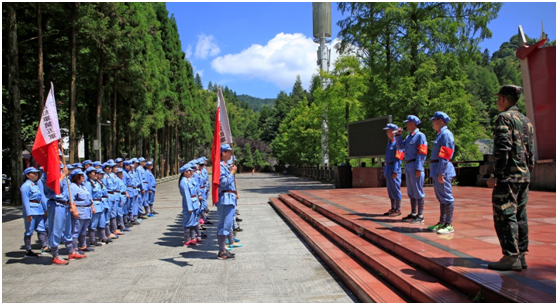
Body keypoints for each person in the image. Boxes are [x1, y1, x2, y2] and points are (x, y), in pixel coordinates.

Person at [487, 85, 534, 271]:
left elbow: (502, 149)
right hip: (524, 176)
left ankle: (510, 256)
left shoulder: (504, 118)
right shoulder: (526, 121)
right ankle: (521, 255)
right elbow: (531, 151)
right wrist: (527, 171)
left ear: (503, 99)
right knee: (520, 215)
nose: (497, 101)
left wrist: (495, 174)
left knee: (505, 215)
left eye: (499, 98)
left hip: (508, 177)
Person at [427, 112, 456, 234]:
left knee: (447, 197)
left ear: (441, 121)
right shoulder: (440, 134)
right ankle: (442, 222)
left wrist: (441, 172)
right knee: (441, 197)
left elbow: (445, 154)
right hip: (436, 167)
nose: (432, 123)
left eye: (434, 120)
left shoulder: (446, 134)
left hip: (441, 168)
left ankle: (449, 224)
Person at [395, 115, 428, 224]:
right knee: (411, 192)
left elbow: (422, 153)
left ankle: (420, 215)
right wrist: (399, 136)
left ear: (413, 123)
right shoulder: (409, 137)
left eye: (408, 123)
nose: (406, 125)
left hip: (415, 166)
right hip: (409, 166)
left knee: (418, 191)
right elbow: (400, 147)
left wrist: (419, 167)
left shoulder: (420, 136)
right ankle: (413, 213)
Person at [45, 162, 78, 265]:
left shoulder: (63, 174)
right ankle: (55, 255)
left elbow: (67, 191)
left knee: (68, 229)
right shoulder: (49, 174)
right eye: (57, 157)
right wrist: (62, 175)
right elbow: (56, 187)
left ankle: (71, 251)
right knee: (56, 229)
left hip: (65, 204)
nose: (59, 160)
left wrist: (72, 203)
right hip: (56, 204)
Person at [20, 167, 48, 257]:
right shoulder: (25, 186)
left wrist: (44, 209)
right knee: (29, 231)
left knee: (41, 229)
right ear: (27, 175)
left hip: (39, 210)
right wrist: (28, 214)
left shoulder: (35, 184)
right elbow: (25, 201)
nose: (36, 175)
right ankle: (28, 250)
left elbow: (41, 198)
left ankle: (45, 246)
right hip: (31, 211)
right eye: (33, 173)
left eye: (36, 173)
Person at [216, 144, 238, 260]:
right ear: (223, 153)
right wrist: (232, 173)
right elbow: (223, 182)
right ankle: (222, 251)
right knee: (224, 225)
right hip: (225, 199)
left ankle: (223, 250)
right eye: (229, 152)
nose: (231, 154)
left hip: (229, 198)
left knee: (226, 225)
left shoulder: (224, 166)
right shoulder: (220, 166)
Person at [69, 169, 93, 255]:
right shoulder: (72, 187)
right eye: (81, 176)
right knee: (76, 230)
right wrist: (74, 211)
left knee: (83, 230)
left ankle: (83, 245)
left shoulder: (82, 186)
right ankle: (74, 248)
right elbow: (72, 200)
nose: (83, 177)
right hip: (80, 210)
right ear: (76, 177)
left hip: (87, 210)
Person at [382, 123, 404, 217]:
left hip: (394, 168)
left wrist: (395, 170)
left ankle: (398, 209)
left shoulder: (397, 143)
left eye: (388, 131)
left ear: (393, 132)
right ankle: (393, 208)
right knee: (390, 190)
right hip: (388, 168)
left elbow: (399, 157)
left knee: (395, 189)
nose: (387, 133)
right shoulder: (390, 142)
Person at [179, 164, 200, 246]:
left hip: (194, 202)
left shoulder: (188, 180)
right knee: (188, 222)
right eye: (189, 171)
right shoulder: (183, 182)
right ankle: (187, 240)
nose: (191, 172)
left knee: (194, 221)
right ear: (185, 172)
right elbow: (187, 196)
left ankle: (193, 238)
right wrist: (190, 207)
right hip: (189, 204)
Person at [85, 168, 104, 247]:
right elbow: (89, 196)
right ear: (89, 174)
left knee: (102, 221)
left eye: (96, 173)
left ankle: (102, 237)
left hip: (100, 204)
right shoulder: (88, 184)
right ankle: (92, 240)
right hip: (95, 204)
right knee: (93, 223)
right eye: (94, 173)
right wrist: (92, 206)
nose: (96, 174)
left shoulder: (97, 183)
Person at [115, 168, 131, 232]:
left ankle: (123, 223)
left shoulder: (121, 180)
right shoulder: (117, 180)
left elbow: (124, 187)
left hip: (124, 195)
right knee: (120, 211)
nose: (122, 174)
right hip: (120, 196)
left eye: (122, 173)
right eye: (120, 173)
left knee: (123, 210)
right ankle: (121, 225)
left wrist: (126, 193)